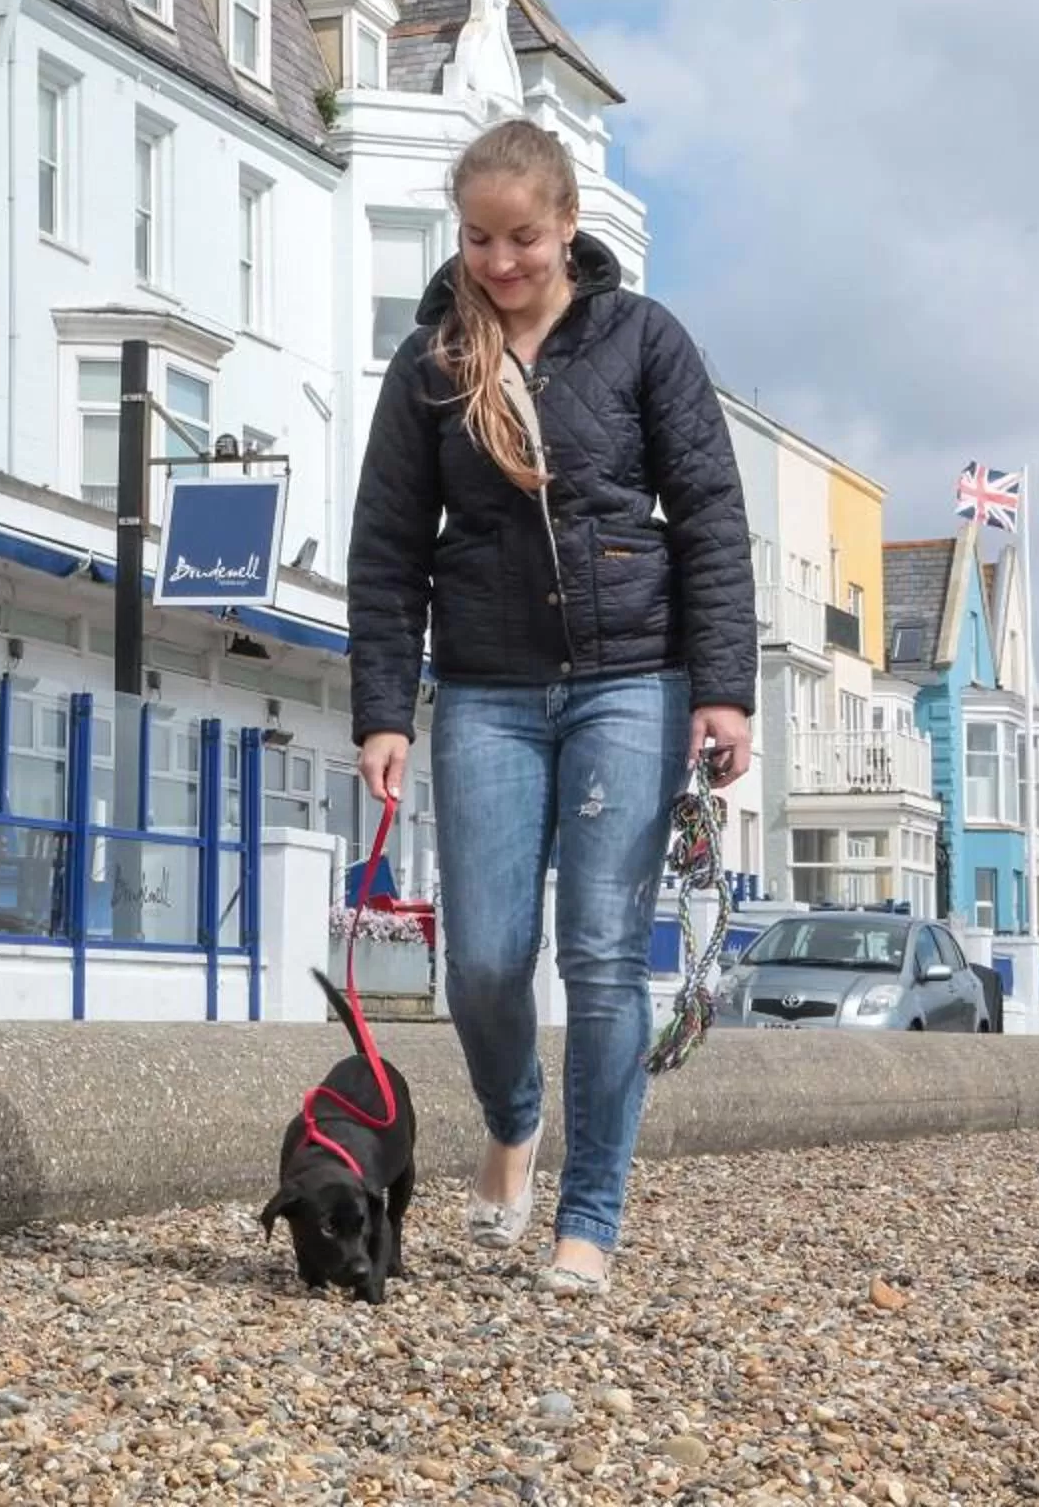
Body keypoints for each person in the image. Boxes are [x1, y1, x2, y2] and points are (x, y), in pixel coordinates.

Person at [347, 117, 755, 1298]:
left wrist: (722, 688)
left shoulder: (643, 341)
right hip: (485, 686)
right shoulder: (430, 365)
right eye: (479, 238)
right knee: (479, 957)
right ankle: (512, 1115)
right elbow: (386, 547)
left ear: (568, 222)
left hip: (633, 676)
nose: (502, 260)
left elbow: (713, 516)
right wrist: (385, 706)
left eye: (523, 236)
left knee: (603, 955)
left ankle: (590, 1216)